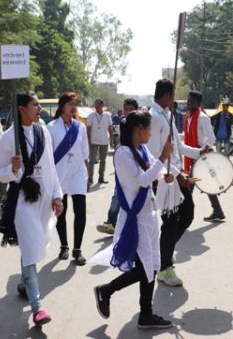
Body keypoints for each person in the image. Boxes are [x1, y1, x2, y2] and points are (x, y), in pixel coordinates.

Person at [91, 110, 174, 329]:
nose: (150, 133)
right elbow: (143, 180)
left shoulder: (142, 149)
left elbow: (153, 170)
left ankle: (146, 315)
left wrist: (166, 173)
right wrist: (163, 159)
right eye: (149, 128)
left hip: (150, 214)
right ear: (139, 130)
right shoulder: (123, 154)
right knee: (144, 267)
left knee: (152, 266)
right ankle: (106, 290)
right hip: (135, 218)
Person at [0, 91, 63, 326]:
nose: (39, 108)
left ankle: (25, 282)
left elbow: (51, 166)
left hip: (43, 200)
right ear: (22, 108)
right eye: (35, 105)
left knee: (31, 246)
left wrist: (57, 195)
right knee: (31, 245)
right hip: (23, 201)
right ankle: (37, 307)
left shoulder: (42, 131)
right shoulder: (8, 138)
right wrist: (13, 169)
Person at [149, 79, 200, 287]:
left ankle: (165, 253)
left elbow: (178, 147)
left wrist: (199, 152)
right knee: (170, 223)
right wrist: (179, 176)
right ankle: (164, 268)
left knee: (188, 214)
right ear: (167, 95)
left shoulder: (167, 116)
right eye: (173, 95)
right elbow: (154, 156)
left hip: (178, 175)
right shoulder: (153, 118)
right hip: (166, 179)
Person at [47, 92, 89, 265]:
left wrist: (89, 175)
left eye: (75, 104)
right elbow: (47, 155)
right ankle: (64, 245)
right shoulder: (51, 127)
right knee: (60, 212)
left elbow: (85, 153)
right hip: (59, 174)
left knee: (81, 211)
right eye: (70, 104)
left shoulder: (81, 127)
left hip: (78, 173)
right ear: (62, 107)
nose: (73, 107)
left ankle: (77, 250)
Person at [97, 98, 140, 235]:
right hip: (122, 164)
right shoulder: (122, 123)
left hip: (136, 165)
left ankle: (129, 224)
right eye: (125, 109)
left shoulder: (140, 125)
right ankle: (111, 221)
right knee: (118, 192)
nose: (127, 112)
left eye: (130, 109)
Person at [183, 91, 226, 222]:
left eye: (193, 101)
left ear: (199, 104)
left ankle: (183, 213)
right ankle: (218, 211)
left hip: (201, 157)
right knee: (206, 184)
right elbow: (187, 136)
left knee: (188, 185)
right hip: (193, 155)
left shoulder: (202, 118)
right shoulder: (188, 117)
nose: (189, 103)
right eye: (189, 100)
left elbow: (212, 138)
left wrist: (203, 149)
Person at [87, 99, 114, 185]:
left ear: (102, 105)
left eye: (98, 105)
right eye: (95, 105)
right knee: (91, 160)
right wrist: (89, 139)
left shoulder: (107, 115)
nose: (96, 106)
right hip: (93, 141)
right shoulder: (91, 115)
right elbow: (88, 128)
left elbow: (110, 128)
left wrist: (111, 140)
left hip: (104, 140)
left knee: (103, 160)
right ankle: (90, 178)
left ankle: (101, 178)